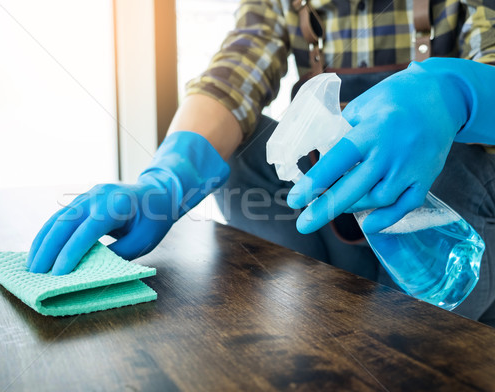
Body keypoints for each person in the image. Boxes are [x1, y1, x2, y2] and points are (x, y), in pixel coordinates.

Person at [26, 0, 495, 324]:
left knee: (452, 158)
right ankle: (317, 300)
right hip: (325, 223)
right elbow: (233, 77)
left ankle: (429, 312)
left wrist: (459, 94)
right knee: (239, 149)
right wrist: (166, 177)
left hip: (437, 220)